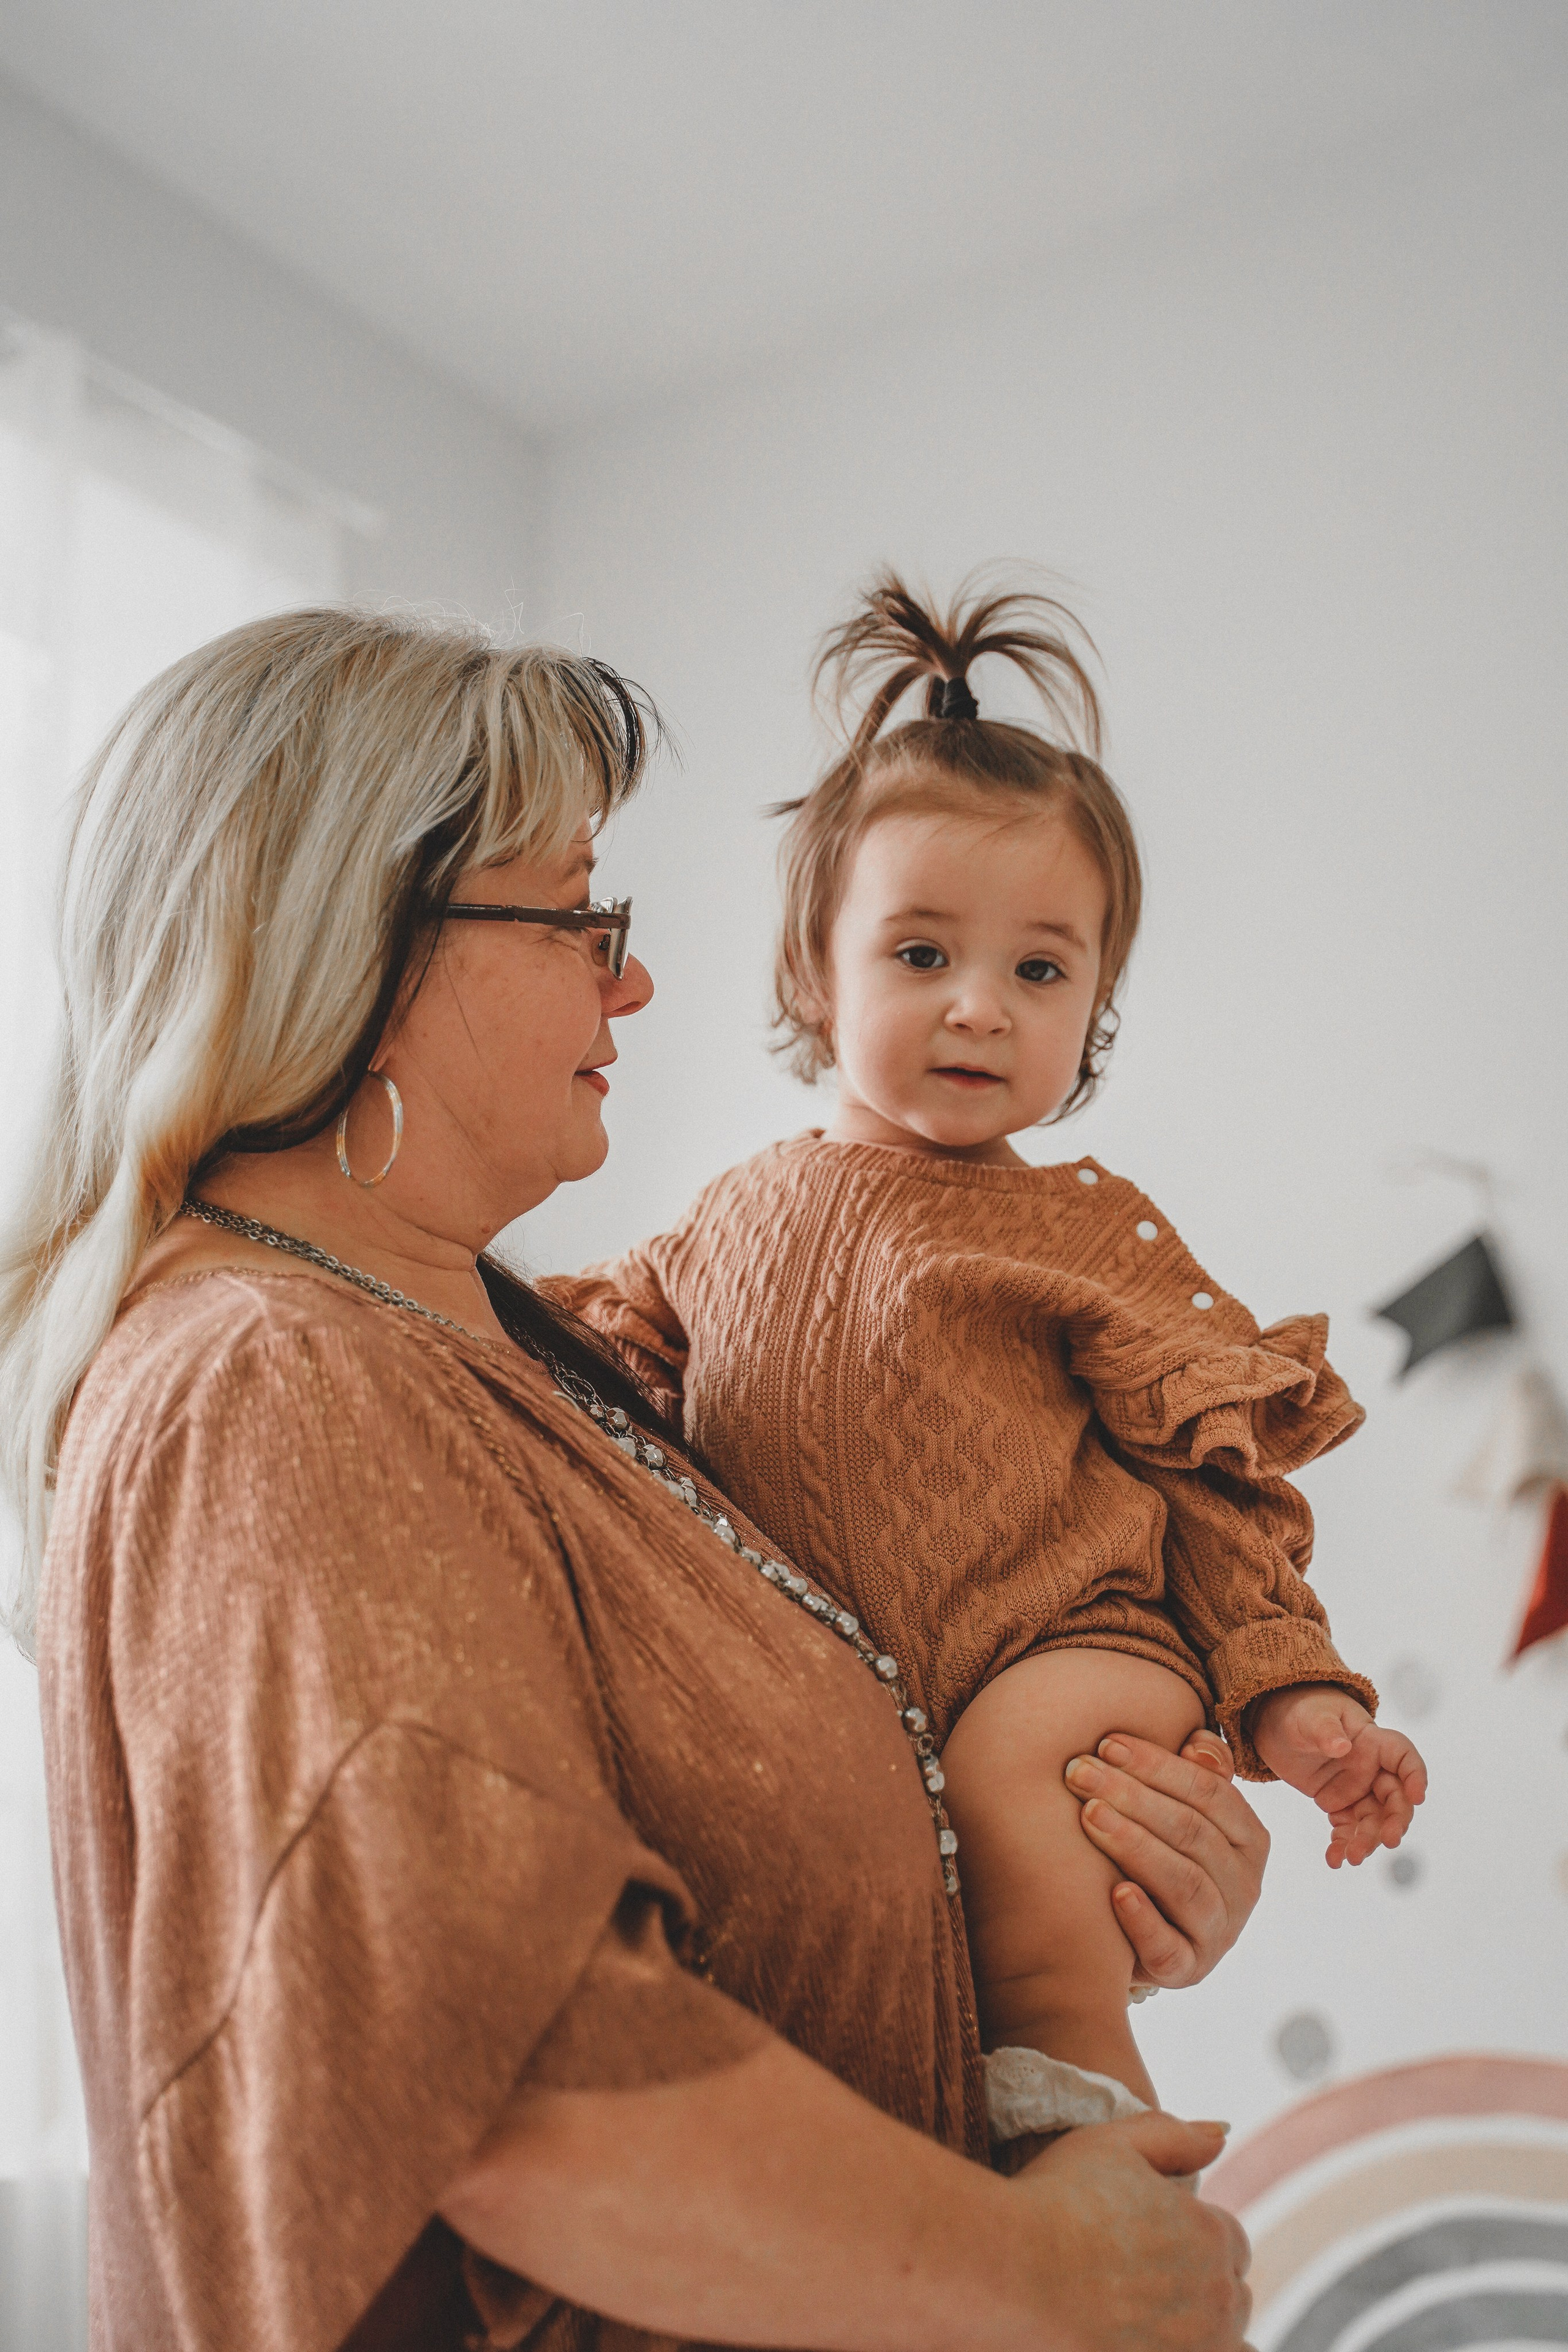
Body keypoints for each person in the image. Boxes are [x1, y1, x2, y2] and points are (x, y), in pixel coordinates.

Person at [0, 606, 1259, 2352]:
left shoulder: (539, 1373)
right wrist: (1051, 2278)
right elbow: (501, 2077)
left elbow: (770, 1881)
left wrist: (1102, 1868)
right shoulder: (270, 1375)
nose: (637, 977)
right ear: (355, 947)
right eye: (582, 912)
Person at [549, 571, 1430, 2135]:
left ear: (1092, 1012)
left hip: (1065, 1648)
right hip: (828, 1751)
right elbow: (587, 1377)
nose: (978, 1008)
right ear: (809, 973)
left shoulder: (1083, 1237)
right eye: (917, 955)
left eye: (1039, 970)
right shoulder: (716, 1224)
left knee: (1029, 1780)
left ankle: (1084, 2098)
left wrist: (1291, 1697)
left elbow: (1206, 1489)